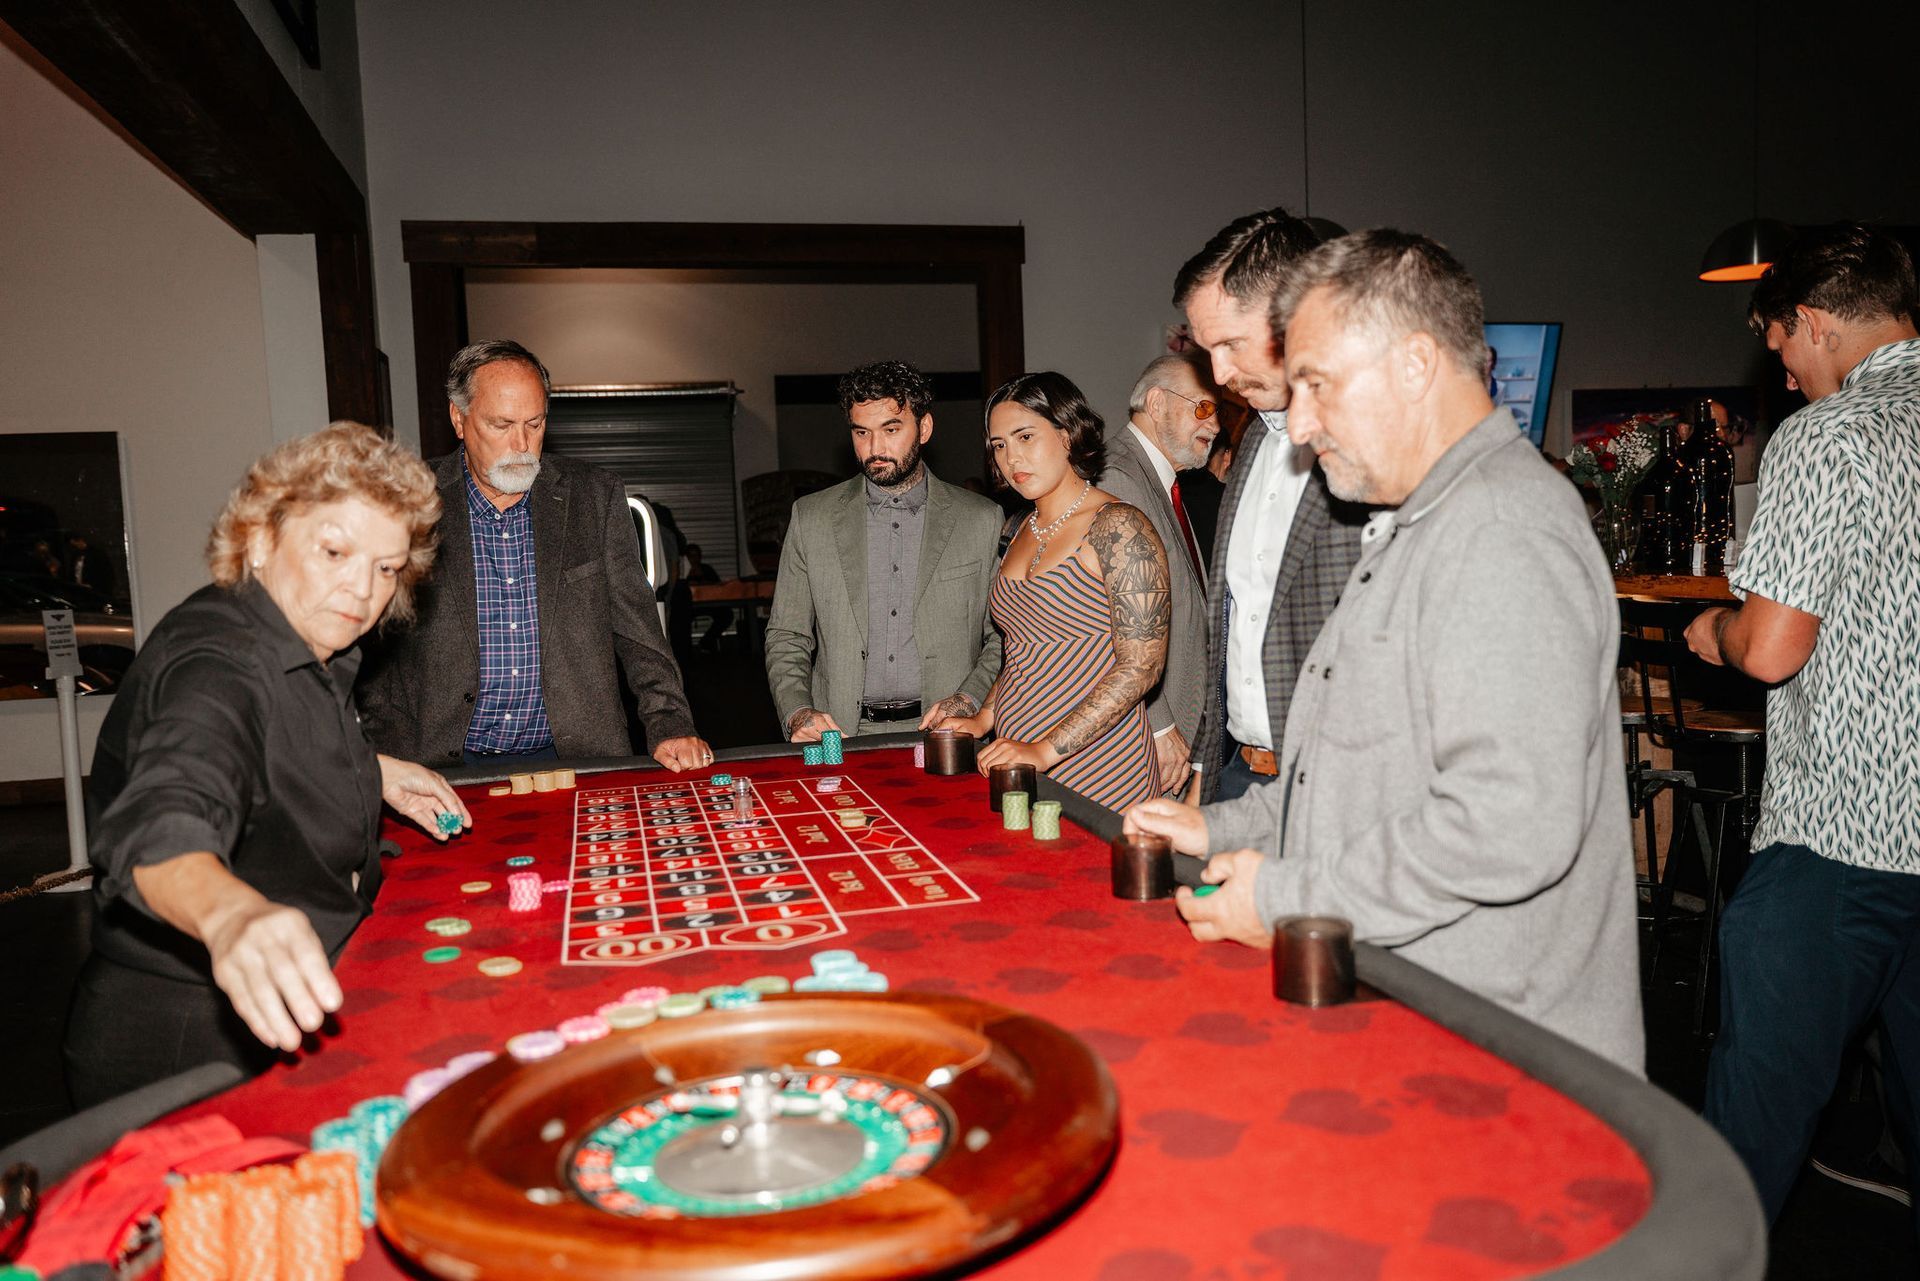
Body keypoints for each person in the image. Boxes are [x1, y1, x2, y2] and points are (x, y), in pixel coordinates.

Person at [1129, 231, 1643, 1073]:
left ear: (1414, 365)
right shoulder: (1418, 515)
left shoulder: (1501, 529)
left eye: (1319, 386)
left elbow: (1505, 826)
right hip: (1416, 1015)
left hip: (1501, 1051)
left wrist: (1288, 897)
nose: (1296, 424)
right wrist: (1215, 823)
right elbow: (1359, 770)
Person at [65, 423, 469, 1107]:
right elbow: (165, 817)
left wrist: (371, 769)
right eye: (335, 549)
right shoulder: (216, 659)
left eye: (386, 567)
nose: (363, 589)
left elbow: (270, 744)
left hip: (276, 1006)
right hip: (189, 1049)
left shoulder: (306, 638)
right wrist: (230, 915)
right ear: (258, 539)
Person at [1684, 223, 1920, 1224]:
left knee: (1748, 1139)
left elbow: (1774, 648)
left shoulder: (1831, 435)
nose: (1781, 375)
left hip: (1844, 840)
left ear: (1816, 323)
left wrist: (1715, 634)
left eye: (1781, 347)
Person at [357, 340, 711, 772]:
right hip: (438, 763)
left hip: (573, 754)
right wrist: (380, 743)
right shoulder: (404, 501)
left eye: (535, 423)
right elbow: (368, 640)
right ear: (459, 419)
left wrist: (669, 720)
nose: (522, 444)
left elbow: (638, 631)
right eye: (502, 424)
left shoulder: (593, 497)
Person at [1172, 208, 1366, 812]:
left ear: (1298, 315)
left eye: (1230, 343)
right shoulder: (1254, 435)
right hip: (1240, 772)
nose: (1220, 374)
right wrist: (1208, 771)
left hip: (1335, 788)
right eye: (1208, 351)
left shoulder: (1368, 450)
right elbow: (1237, 621)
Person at [937, 371, 1170, 813]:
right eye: (999, 445)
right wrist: (984, 717)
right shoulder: (1018, 527)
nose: (1011, 457)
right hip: (1014, 756)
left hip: (1098, 761)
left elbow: (1142, 668)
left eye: (1025, 436)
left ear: (1067, 435)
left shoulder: (1118, 525)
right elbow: (1023, 648)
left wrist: (1045, 750)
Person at [764, 360, 1004, 741]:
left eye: (891, 429)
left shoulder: (981, 519)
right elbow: (787, 634)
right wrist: (797, 710)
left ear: (923, 428)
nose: (875, 448)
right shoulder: (812, 517)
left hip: (947, 733)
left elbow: (1003, 636)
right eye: (862, 432)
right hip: (839, 734)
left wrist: (970, 699)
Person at [1097, 353, 1221, 794]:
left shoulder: (1158, 477)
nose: (1216, 425)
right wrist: (1159, 724)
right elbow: (1109, 621)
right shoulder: (1119, 475)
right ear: (1156, 402)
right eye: (1203, 408)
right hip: (1147, 733)